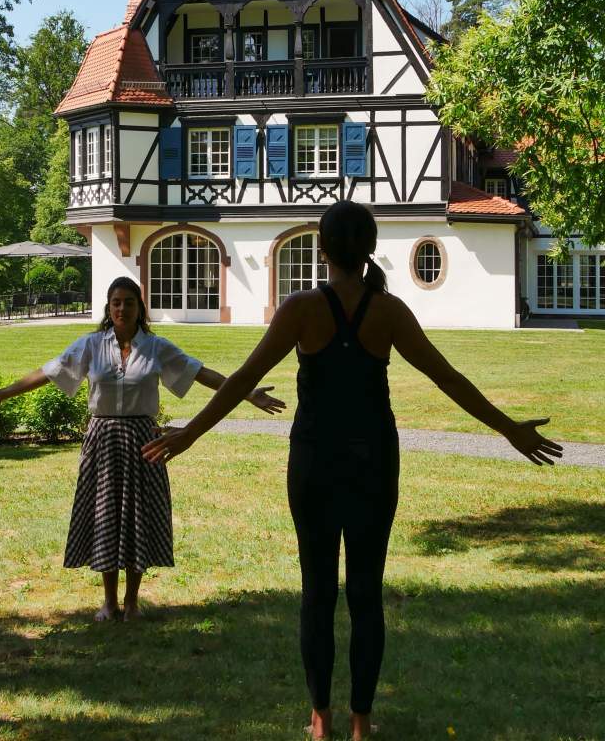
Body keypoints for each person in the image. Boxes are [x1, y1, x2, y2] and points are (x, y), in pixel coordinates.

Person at [143, 201, 563, 740]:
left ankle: (321, 719)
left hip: (314, 463)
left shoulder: (301, 308)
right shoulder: (388, 310)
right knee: (365, 591)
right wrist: (509, 429)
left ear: (321, 248)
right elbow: (449, 378)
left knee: (317, 590)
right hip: (373, 464)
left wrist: (191, 432)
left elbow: (243, 377)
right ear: (370, 248)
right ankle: (360, 721)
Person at [0, 275, 284, 622]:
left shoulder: (156, 347)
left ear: (139, 308)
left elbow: (199, 373)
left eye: (128, 302)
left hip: (144, 440)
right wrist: (3, 393)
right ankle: (108, 602)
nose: (121, 308)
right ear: (108, 307)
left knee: (138, 517)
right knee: (104, 515)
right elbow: (49, 372)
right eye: (116, 302)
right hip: (103, 439)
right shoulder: (90, 345)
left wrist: (247, 393)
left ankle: (132, 601)